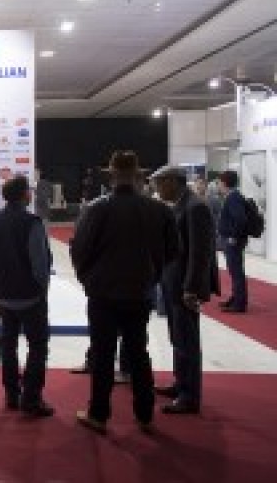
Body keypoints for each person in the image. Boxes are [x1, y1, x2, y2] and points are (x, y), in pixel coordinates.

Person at [70, 151, 178, 434]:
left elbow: (79, 249)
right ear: (138, 176)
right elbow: (173, 251)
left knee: (103, 354)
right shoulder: (159, 210)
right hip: (139, 293)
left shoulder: (97, 209)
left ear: (112, 176)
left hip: (103, 294)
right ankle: (145, 414)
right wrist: (151, 275)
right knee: (138, 353)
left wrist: (87, 279)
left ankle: (98, 414)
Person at [0, 175, 54, 417]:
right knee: (38, 345)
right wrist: (42, 289)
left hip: (2, 294)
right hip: (30, 295)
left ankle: (12, 394)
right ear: (25, 195)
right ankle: (31, 398)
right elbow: (40, 263)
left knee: (8, 343)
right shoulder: (32, 222)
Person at [152, 165, 219, 415]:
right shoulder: (182, 205)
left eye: (159, 183)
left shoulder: (195, 207)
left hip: (184, 287)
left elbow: (200, 254)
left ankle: (189, 396)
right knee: (177, 337)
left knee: (187, 341)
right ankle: (181, 384)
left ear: (172, 181)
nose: (157, 189)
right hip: (174, 284)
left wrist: (191, 288)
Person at [217, 170, 249, 313]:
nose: (218, 185)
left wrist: (233, 237)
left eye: (219, 182)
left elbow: (240, 219)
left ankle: (239, 303)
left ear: (224, 183)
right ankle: (236, 298)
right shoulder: (233, 196)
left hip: (233, 242)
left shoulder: (233, 198)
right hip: (233, 241)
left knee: (236, 272)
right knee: (235, 271)